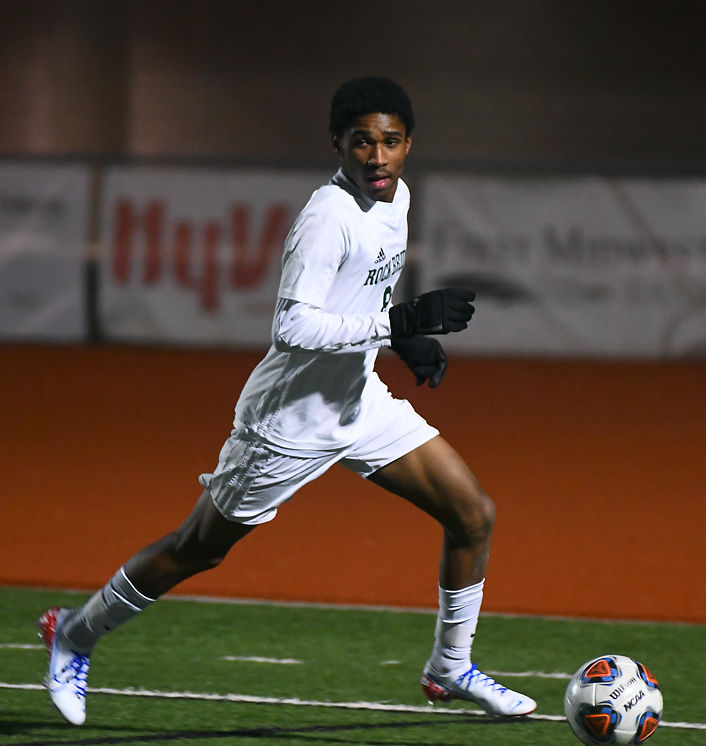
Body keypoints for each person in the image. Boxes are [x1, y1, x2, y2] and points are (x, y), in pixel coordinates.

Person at [38, 76, 536, 726]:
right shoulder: (324, 219)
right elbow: (293, 327)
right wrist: (401, 324)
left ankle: (449, 667)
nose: (377, 156)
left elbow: (361, 295)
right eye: (363, 142)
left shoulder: (396, 198)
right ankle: (75, 632)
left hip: (358, 403)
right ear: (338, 144)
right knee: (198, 549)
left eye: (390, 141)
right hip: (287, 424)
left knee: (472, 513)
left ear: (409, 144)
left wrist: (400, 341)